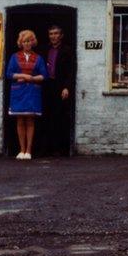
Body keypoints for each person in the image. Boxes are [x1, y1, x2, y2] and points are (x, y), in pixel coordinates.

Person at [6, 29, 47, 159]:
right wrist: (23, 75)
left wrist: (32, 79)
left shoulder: (38, 58)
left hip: (32, 92)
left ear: (33, 42)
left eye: (29, 41)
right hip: (18, 92)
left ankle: (29, 151)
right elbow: (9, 74)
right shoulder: (14, 57)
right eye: (25, 41)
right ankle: (21, 150)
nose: (27, 43)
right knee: (20, 120)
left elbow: (44, 75)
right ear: (21, 43)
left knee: (30, 121)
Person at [39, 24, 76, 157]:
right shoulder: (44, 49)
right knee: (45, 116)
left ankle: (59, 149)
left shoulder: (67, 50)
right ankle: (44, 148)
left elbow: (70, 71)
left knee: (59, 117)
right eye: (51, 34)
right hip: (46, 84)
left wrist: (67, 87)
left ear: (61, 35)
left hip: (60, 86)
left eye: (56, 33)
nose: (53, 36)